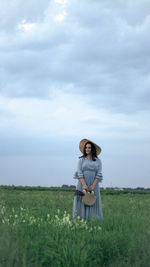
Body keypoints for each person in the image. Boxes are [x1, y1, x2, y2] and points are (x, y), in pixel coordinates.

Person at [73, 138, 104, 220]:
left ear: (92, 149)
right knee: (80, 201)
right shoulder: (81, 160)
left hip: (94, 185)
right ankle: (80, 221)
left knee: (93, 201)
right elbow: (79, 173)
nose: (87, 149)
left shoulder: (98, 161)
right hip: (81, 185)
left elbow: (99, 174)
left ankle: (93, 220)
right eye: (86, 147)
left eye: (89, 147)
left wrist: (92, 186)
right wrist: (84, 185)